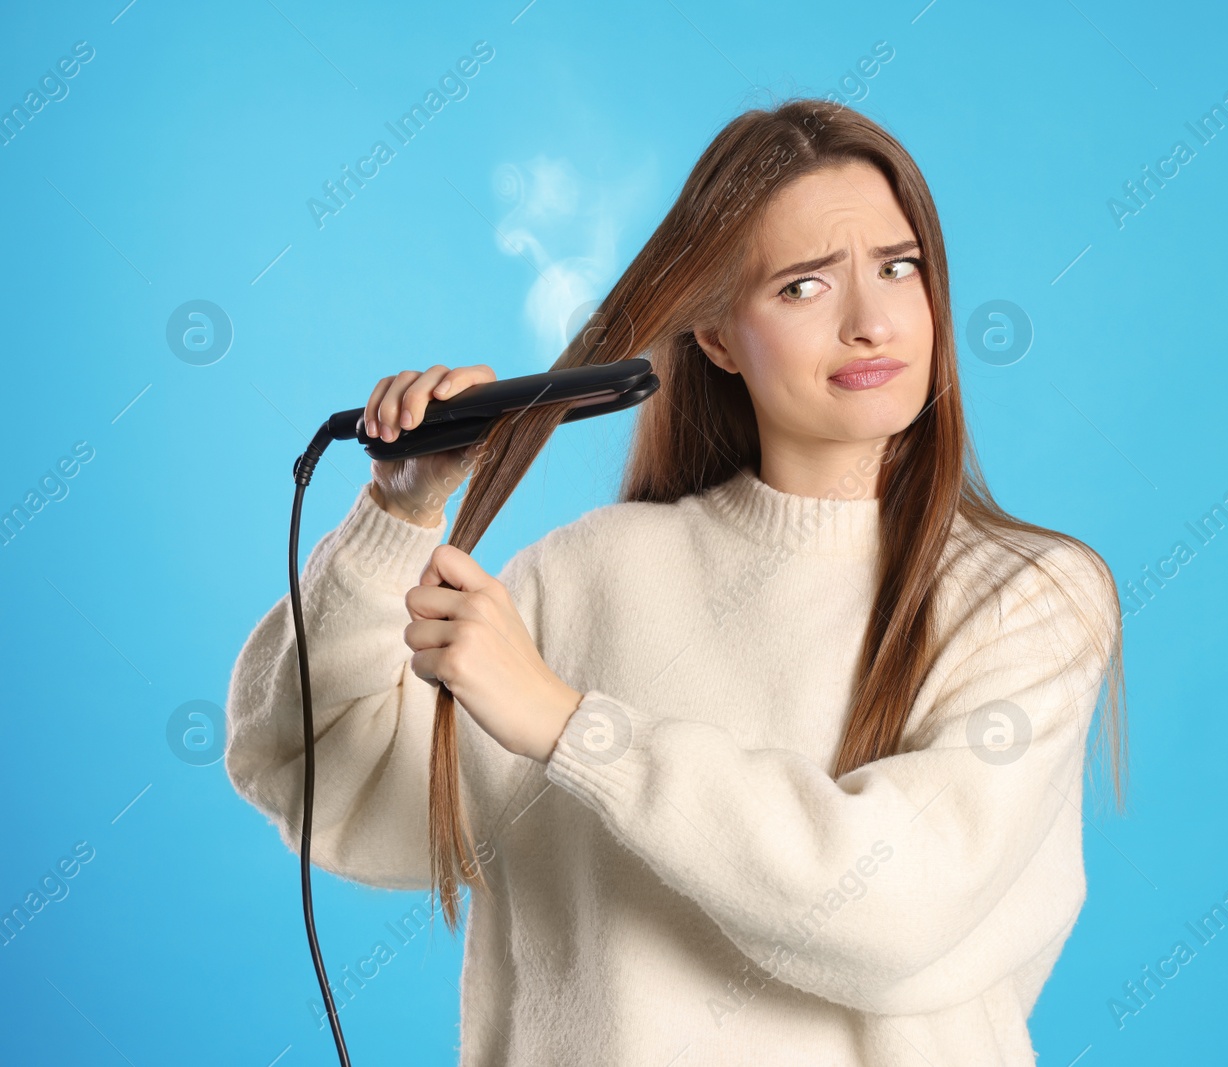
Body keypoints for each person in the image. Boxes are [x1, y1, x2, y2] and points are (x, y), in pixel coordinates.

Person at [225, 98, 1126, 1067]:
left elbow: (897, 905)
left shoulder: (1029, 595)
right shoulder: (583, 577)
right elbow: (312, 772)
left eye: (899, 268)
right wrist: (394, 518)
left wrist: (572, 725)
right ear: (717, 336)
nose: (872, 322)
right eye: (803, 286)